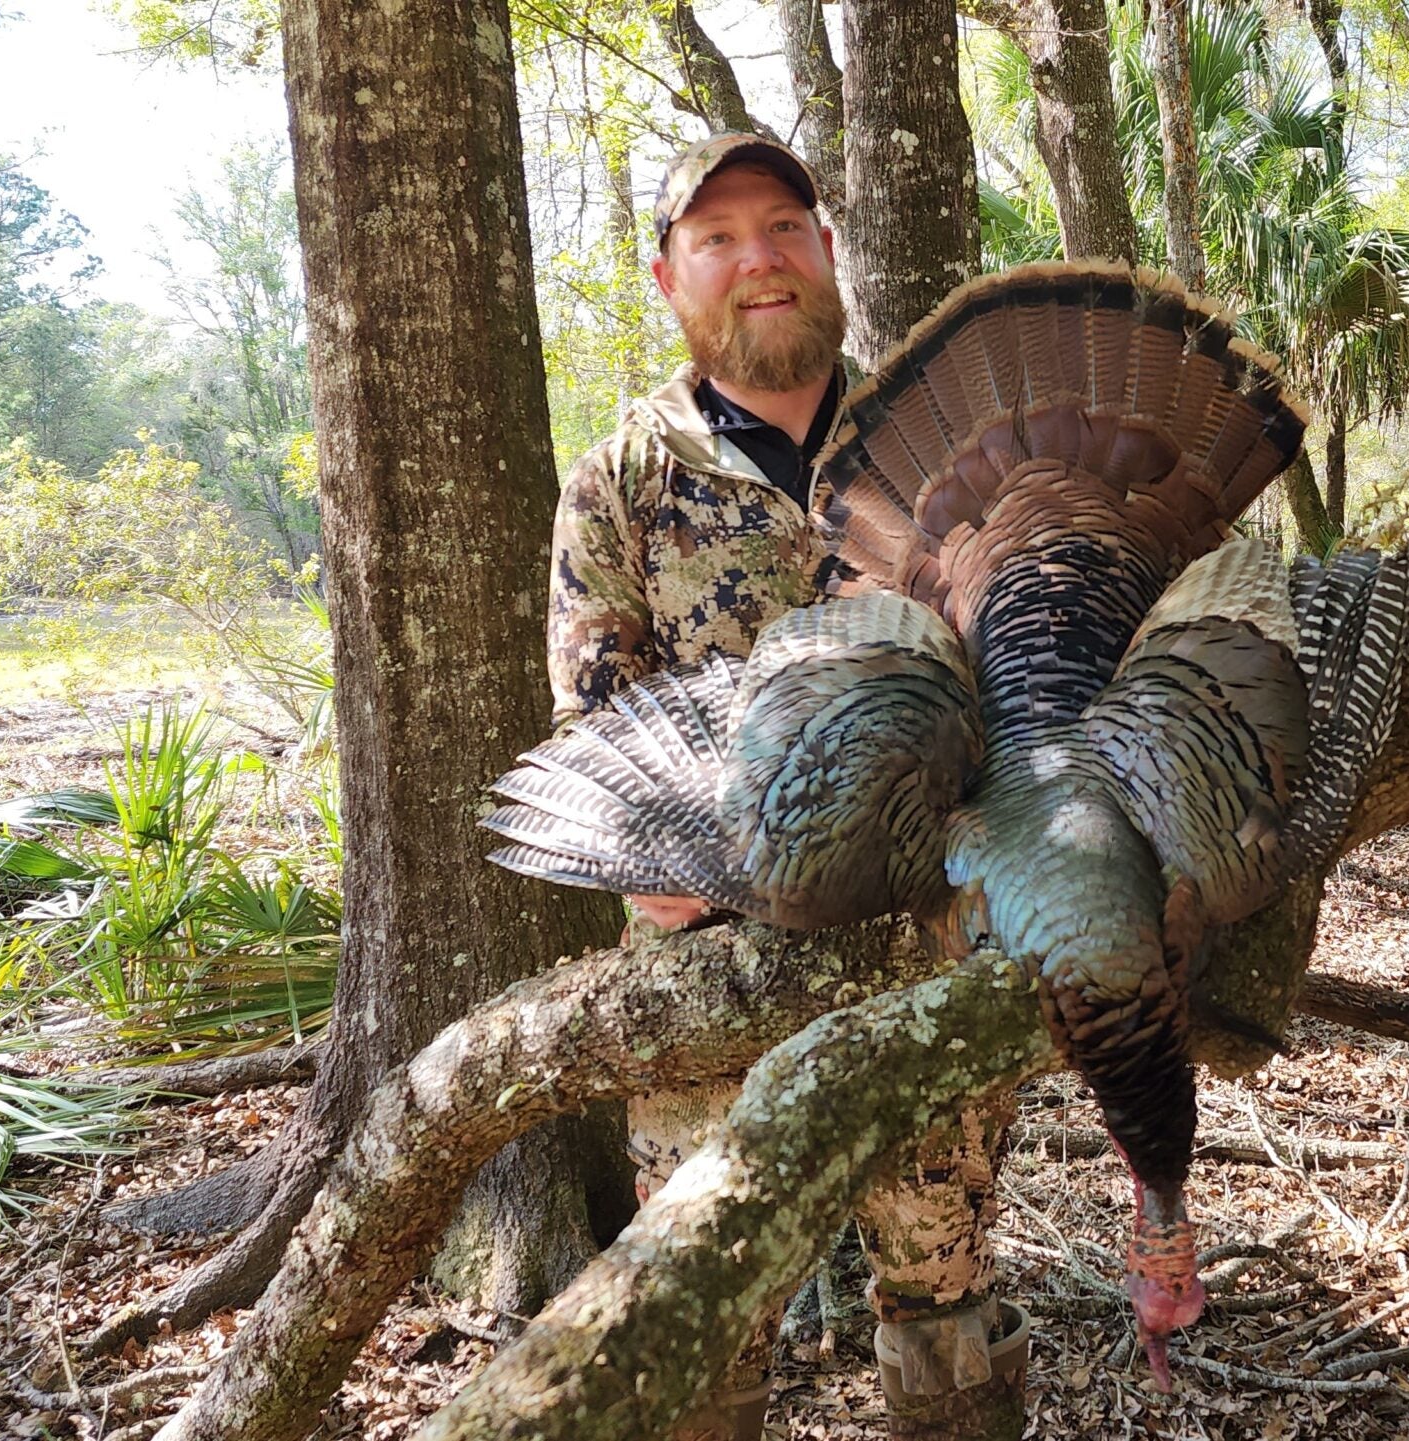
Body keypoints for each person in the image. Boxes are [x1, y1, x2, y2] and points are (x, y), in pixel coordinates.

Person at [544, 132, 1027, 1441]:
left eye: (781, 227)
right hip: (714, 986)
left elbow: (1028, 696)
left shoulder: (944, 449)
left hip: (926, 967)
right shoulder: (620, 481)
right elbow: (608, 739)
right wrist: (692, 866)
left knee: (949, 1312)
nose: (755, 259)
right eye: (716, 238)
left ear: (825, 249)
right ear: (668, 277)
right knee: (703, 1319)